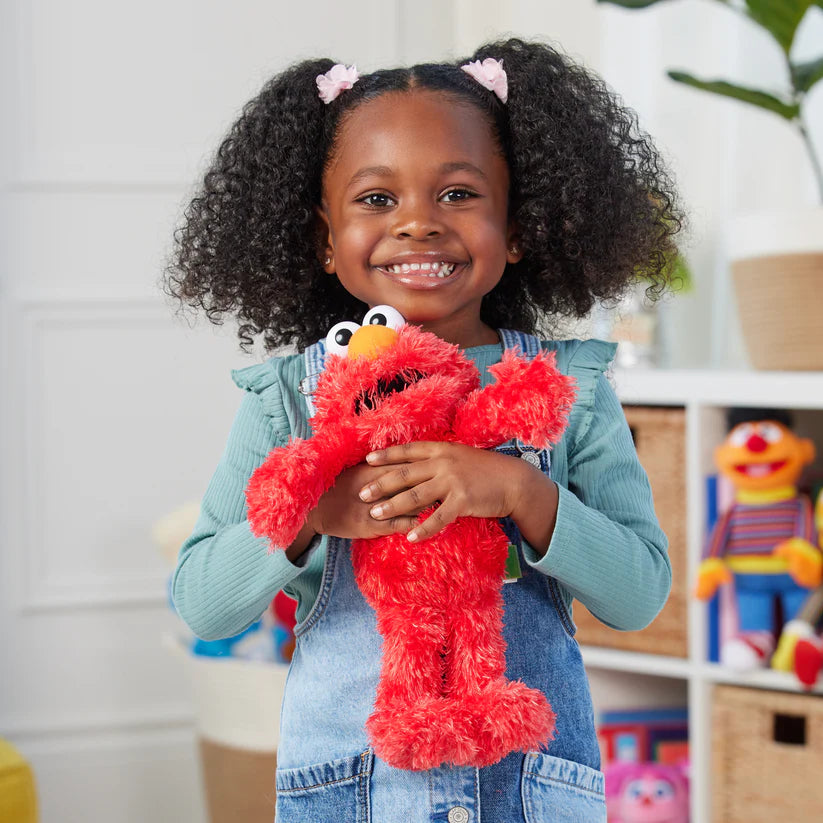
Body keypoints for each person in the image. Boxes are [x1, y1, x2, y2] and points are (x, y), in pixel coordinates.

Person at [166, 37, 678, 823]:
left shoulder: (568, 389)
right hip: (349, 790)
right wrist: (317, 513)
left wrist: (521, 490)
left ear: (517, 228)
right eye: (376, 200)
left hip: (528, 786)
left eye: (458, 194)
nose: (417, 225)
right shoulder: (288, 399)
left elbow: (639, 593)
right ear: (323, 240)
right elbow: (204, 603)